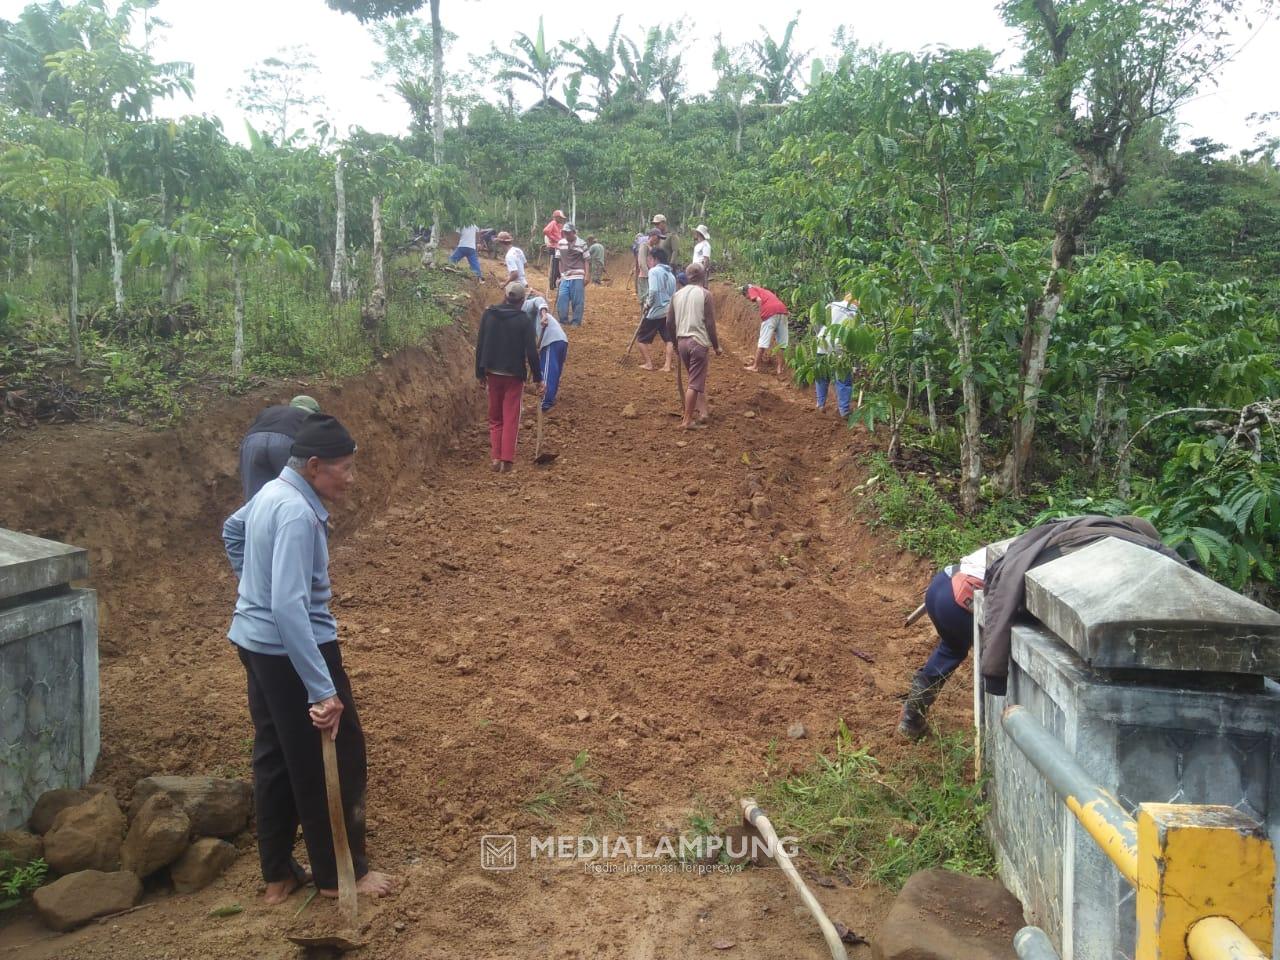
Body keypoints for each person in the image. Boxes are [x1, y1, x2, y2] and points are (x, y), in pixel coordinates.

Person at [222, 413, 395, 905]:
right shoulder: (298, 513)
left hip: (254, 643)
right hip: (291, 648)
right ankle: (339, 875)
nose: (351, 477)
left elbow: (231, 532)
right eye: (345, 468)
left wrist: (248, 590)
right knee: (335, 756)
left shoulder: (272, 493)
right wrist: (321, 689)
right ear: (315, 466)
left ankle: (277, 875)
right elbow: (288, 608)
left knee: (276, 754)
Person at [897, 545, 988, 739]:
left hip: (941, 585)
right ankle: (993, 732)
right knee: (997, 657)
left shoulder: (1036, 539)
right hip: (961, 599)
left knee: (952, 648)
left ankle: (911, 719)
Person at [476, 281, 542, 472]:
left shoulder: (489, 315)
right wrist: (538, 379)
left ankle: (495, 458)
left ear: (505, 296)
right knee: (510, 416)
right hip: (514, 375)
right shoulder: (523, 320)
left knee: (495, 417)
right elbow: (532, 352)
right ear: (522, 301)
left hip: (492, 373)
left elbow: (480, 344)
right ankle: (507, 459)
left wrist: (479, 372)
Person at [666, 261, 722, 430]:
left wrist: (675, 343)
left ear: (688, 276)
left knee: (695, 379)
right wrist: (716, 346)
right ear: (703, 277)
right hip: (698, 343)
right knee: (694, 383)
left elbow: (669, 322)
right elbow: (710, 323)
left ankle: (703, 412)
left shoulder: (677, 295)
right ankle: (687, 420)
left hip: (682, 341)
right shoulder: (705, 294)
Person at [239, 395, 321, 502]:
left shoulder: (270, 411)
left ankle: (255, 517)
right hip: (285, 442)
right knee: (293, 490)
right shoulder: (310, 418)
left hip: (252, 442)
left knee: (254, 497)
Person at [522, 288, 568, 412]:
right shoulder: (525, 317)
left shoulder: (526, 305)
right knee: (554, 373)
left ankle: (544, 403)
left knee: (547, 374)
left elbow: (540, 300)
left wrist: (543, 315)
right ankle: (549, 400)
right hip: (561, 340)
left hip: (551, 340)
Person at [814, 296, 859, 416]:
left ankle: (820, 404)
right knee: (843, 379)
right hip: (840, 344)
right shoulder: (855, 312)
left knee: (822, 375)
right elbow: (855, 335)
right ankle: (844, 411)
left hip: (822, 342)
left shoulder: (831, 305)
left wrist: (820, 336)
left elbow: (817, 322)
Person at [636, 247, 676, 372]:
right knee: (669, 339)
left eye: (650, 259)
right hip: (668, 311)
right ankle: (667, 365)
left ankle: (648, 364)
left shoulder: (653, 271)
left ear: (655, 259)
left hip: (655, 312)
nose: (648, 261)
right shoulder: (671, 274)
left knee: (641, 339)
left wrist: (647, 305)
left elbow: (652, 292)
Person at [742, 284, 790, 376]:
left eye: (747, 297)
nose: (749, 299)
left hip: (770, 313)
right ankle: (779, 368)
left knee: (763, 342)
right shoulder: (766, 291)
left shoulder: (751, 288)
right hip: (783, 311)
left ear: (746, 292)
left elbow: (759, 300)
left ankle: (755, 366)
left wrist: (762, 312)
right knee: (782, 343)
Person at [555, 223, 589, 328]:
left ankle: (576, 322)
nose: (566, 235)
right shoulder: (560, 243)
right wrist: (560, 275)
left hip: (578, 275)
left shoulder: (582, 243)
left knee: (577, 300)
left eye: (568, 233)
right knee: (562, 298)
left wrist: (587, 275)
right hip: (565, 276)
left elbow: (586, 260)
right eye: (565, 233)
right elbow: (559, 260)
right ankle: (563, 320)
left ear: (574, 232)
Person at [543, 209, 567, 288]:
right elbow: (546, 231)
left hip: (559, 247)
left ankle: (557, 282)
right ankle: (552, 283)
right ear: (556, 217)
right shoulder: (553, 223)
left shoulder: (559, 225)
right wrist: (553, 238)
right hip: (554, 247)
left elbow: (562, 234)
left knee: (558, 265)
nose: (561, 219)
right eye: (560, 218)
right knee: (554, 265)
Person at [632, 230, 651, 304]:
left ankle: (637, 290)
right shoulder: (645, 240)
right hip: (646, 259)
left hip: (640, 258)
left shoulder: (637, 243)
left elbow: (634, 252)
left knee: (638, 274)